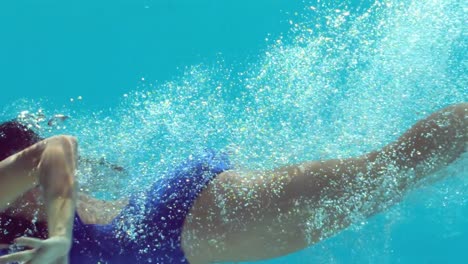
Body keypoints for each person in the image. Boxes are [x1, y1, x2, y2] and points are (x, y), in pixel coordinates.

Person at [0, 103, 466, 264]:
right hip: (177, 238)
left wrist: (60, 235)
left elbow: (56, 149)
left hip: (189, 222)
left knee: (391, 172)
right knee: (398, 176)